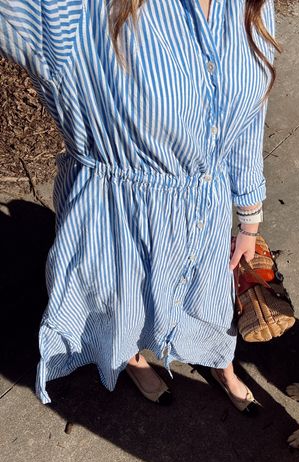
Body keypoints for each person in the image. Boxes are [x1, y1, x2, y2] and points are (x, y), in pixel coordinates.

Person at [0, 0, 278, 413]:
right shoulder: (74, 11)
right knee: (123, 304)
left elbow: (250, 116)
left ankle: (219, 360)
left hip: (207, 206)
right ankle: (130, 356)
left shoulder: (252, 4)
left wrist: (249, 217)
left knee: (207, 295)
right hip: (116, 218)